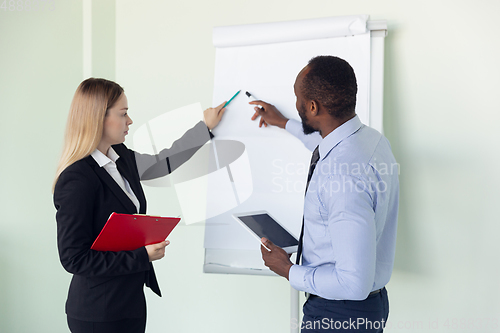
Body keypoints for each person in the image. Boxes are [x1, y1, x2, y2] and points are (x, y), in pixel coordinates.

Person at [53, 78, 226, 333]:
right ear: (98, 118)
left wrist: (204, 128)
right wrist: (142, 256)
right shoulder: (77, 179)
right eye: (123, 114)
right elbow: (74, 259)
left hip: (129, 304)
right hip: (98, 313)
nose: (130, 121)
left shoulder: (121, 157)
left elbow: (164, 161)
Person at [249, 56, 399, 332]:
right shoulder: (371, 141)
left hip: (339, 314)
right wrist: (283, 122)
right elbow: (325, 145)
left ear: (313, 106)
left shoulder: (341, 177)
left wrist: (288, 271)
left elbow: (353, 283)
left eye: (298, 98)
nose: (296, 103)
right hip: (365, 308)